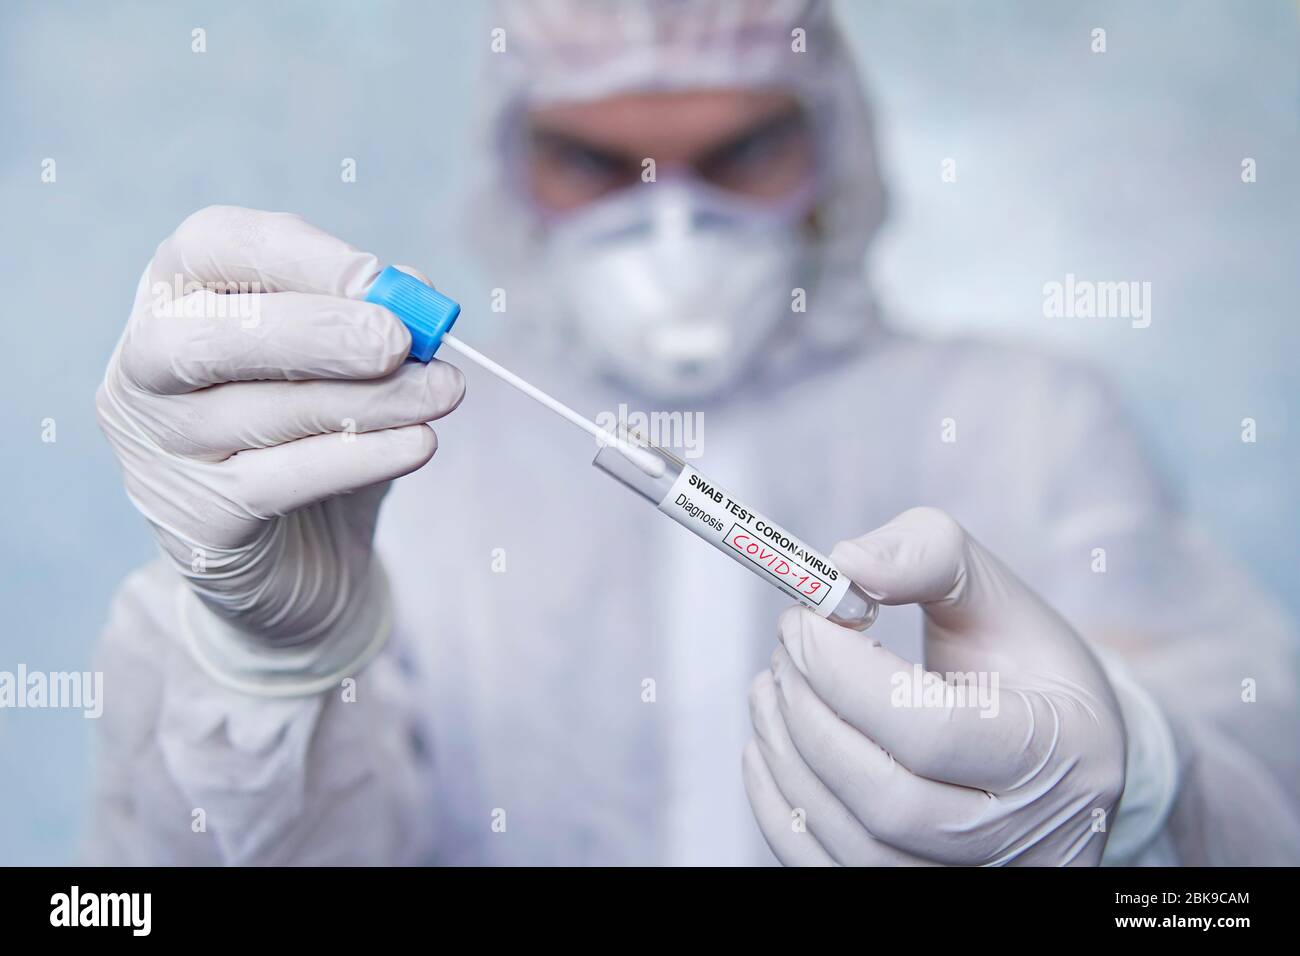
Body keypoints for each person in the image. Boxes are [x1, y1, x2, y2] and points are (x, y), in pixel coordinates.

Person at [88, 0, 1299, 865]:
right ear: (512, 163)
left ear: (830, 140)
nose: (670, 222)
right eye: (594, 162)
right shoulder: (399, 449)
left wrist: (1140, 781)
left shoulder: (1029, 420)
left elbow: (1258, 818)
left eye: (738, 153)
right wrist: (267, 661)